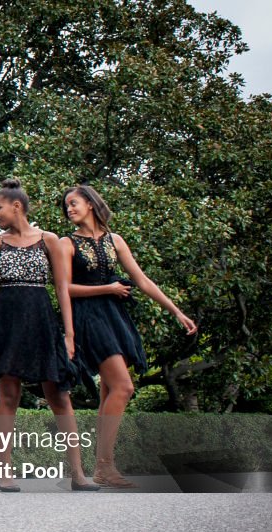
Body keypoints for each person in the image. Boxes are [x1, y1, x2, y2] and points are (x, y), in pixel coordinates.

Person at [59, 184, 197, 488]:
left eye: (74, 203)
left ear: (91, 205)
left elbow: (142, 281)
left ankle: (103, 466)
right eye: (66, 206)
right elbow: (64, 289)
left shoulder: (114, 241)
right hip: (89, 318)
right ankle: (104, 466)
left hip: (114, 317)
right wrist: (107, 288)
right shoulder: (66, 244)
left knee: (110, 391)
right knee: (124, 386)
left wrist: (176, 311)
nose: (69, 209)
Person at [0, 179, 99, 493]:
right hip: (7, 322)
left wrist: (69, 335)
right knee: (8, 396)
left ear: (16, 206)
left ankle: (78, 473)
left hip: (42, 322)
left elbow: (62, 289)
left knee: (59, 395)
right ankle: (4, 471)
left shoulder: (50, 240)